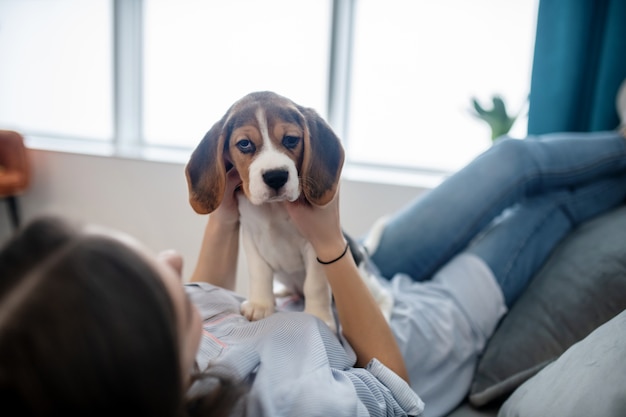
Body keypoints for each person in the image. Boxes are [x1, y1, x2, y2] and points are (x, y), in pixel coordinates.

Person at [2, 130, 626, 417]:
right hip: (417, 327)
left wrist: (227, 212)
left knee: (513, 159)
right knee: (550, 206)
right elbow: (396, 388)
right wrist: (329, 249)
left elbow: (209, 295)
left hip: (352, 266)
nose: (170, 259)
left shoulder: (181, 343)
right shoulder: (293, 405)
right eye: (150, 269)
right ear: (138, 346)